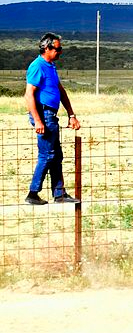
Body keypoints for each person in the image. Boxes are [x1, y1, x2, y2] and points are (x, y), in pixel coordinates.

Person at [24, 32, 81, 205]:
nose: (60, 52)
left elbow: (60, 91)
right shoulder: (37, 66)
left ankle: (59, 194)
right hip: (44, 115)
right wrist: (38, 120)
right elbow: (29, 95)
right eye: (58, 49)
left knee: (56, 155)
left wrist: (71, 115)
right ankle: (33, 194)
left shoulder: (51, 66)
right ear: (47, 48)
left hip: (51, 115)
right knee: (47, 155)